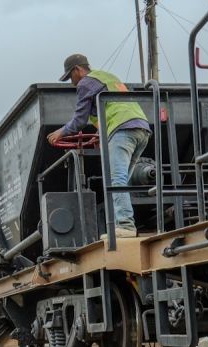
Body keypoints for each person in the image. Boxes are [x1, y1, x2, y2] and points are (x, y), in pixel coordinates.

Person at [47, 54, 151, 239]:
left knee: (116, 179)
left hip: (122, 130)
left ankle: (125, 226)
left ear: (78, 69)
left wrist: (60, 132)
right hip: (141, 129)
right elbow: (111, 105)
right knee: (123, 180)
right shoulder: (106, 77)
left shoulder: (85, 83)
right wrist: (101, 133)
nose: (72, 82)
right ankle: (124, 224)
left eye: (71, 76)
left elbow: (79, 120)